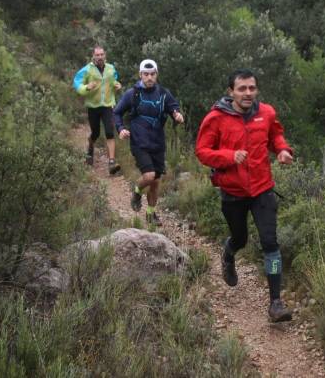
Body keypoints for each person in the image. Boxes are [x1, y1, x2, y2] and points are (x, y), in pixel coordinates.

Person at [195, 69, 295, 322]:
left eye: (252, 88)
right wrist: (229, 157)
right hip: (233, 191)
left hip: (262, 188)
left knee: (271, 243)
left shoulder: (267, 113)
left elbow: (276, 136)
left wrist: (282, 150)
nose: (248, 93)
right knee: (240, 238)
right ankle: (229, 253)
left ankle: (276, 302)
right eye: (242, 88)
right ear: (231, 92)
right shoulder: (216, 118)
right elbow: (202, 151)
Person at [113, 59, 184, 226]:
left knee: (155, 182)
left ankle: (151, 214)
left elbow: (174, 107)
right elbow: (116, 113)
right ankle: (137, 191)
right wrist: (121, 129)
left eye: (152, 74)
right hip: (139, 142)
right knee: (149, 176)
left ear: (156, 75)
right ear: (140, 75)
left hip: (158, 144)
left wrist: (177, 115)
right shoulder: (133, 94)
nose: (149, 77)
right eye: (146, 74)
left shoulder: (164, 94)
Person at [73, 46, 123, 174]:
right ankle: (90, 148)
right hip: (93, 106)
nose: (100, 57)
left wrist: (117, 85)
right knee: (95, 132)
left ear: (105, 55)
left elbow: (114, 79)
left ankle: (112, 162)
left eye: (102, 54)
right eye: (97, 55)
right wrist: (86, 87)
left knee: (109, 131)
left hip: (107, 104)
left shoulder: (111, 68)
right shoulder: (87, 70)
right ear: (93, 56)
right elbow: (77, 83)